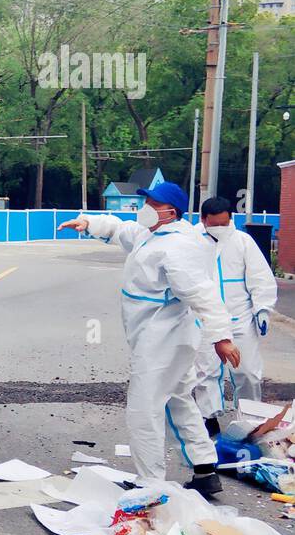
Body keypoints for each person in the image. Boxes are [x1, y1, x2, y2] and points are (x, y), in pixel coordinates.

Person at [61, 182, 240, 496]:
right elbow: (122, 229)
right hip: (160, 337)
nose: (144, 206)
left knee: (144, 408)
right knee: (179, 398)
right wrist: (89, 223)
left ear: (171, 211)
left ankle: (151, 483)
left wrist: (221, 337)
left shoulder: (179, 247)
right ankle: (204, 468)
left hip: (164, 340)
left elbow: (202, 294)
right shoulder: (152, 234)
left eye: (152, 202)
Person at [191, 196, 278, 433]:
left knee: (248, 372)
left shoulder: (242, 241)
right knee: (206, 372)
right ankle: (208, 421)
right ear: (203, 220)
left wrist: (262, 308)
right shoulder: (191, 242)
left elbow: (260, 277)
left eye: (224, 223)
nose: (220, 228)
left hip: (240, 320)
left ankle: (250, 420)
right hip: (205, 321)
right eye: (214, 224)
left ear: (231, 218)